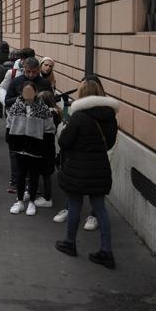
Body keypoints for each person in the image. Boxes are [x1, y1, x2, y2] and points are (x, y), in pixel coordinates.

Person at [56, 79, 119, 269]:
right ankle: (106, 252)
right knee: (100, 208)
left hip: (78, 168)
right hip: (99, 167)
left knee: (75, 204)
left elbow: (64, 142)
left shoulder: (78, 117)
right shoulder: (110, 116)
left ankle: (70, 243)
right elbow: (109, 143)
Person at [6, 82, 55, 216]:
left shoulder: (43, 108)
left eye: (30, 91)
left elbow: (50, 129)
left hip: (35, 147)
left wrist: (44, 145)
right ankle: (20, 200)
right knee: (20, 175)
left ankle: (32, 201)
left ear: (35, 92)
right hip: (19, 146)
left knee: (33, 176)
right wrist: (11, 141)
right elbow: (9, 124)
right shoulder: (16, 106)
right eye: (25, 91)